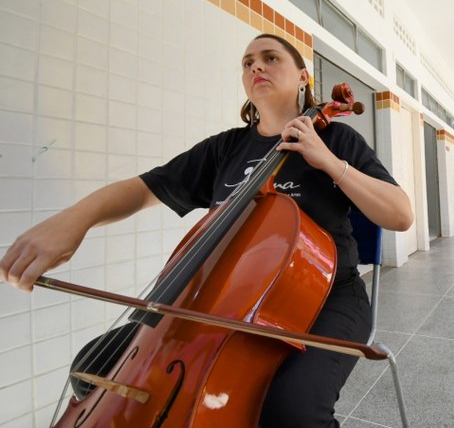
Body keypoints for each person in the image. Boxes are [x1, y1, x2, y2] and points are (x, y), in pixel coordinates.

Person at [0, 33, 414, 427]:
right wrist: (75, 220)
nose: (257, 67)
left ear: (303, 76)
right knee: (92, 366)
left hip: (325, 296)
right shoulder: (225, 148)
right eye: (248, 62)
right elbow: (142, 189)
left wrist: (327, 161)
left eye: (271, 58)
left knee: (290, 414)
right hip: (224, 304)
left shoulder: (336, 138)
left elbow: (400, 214)